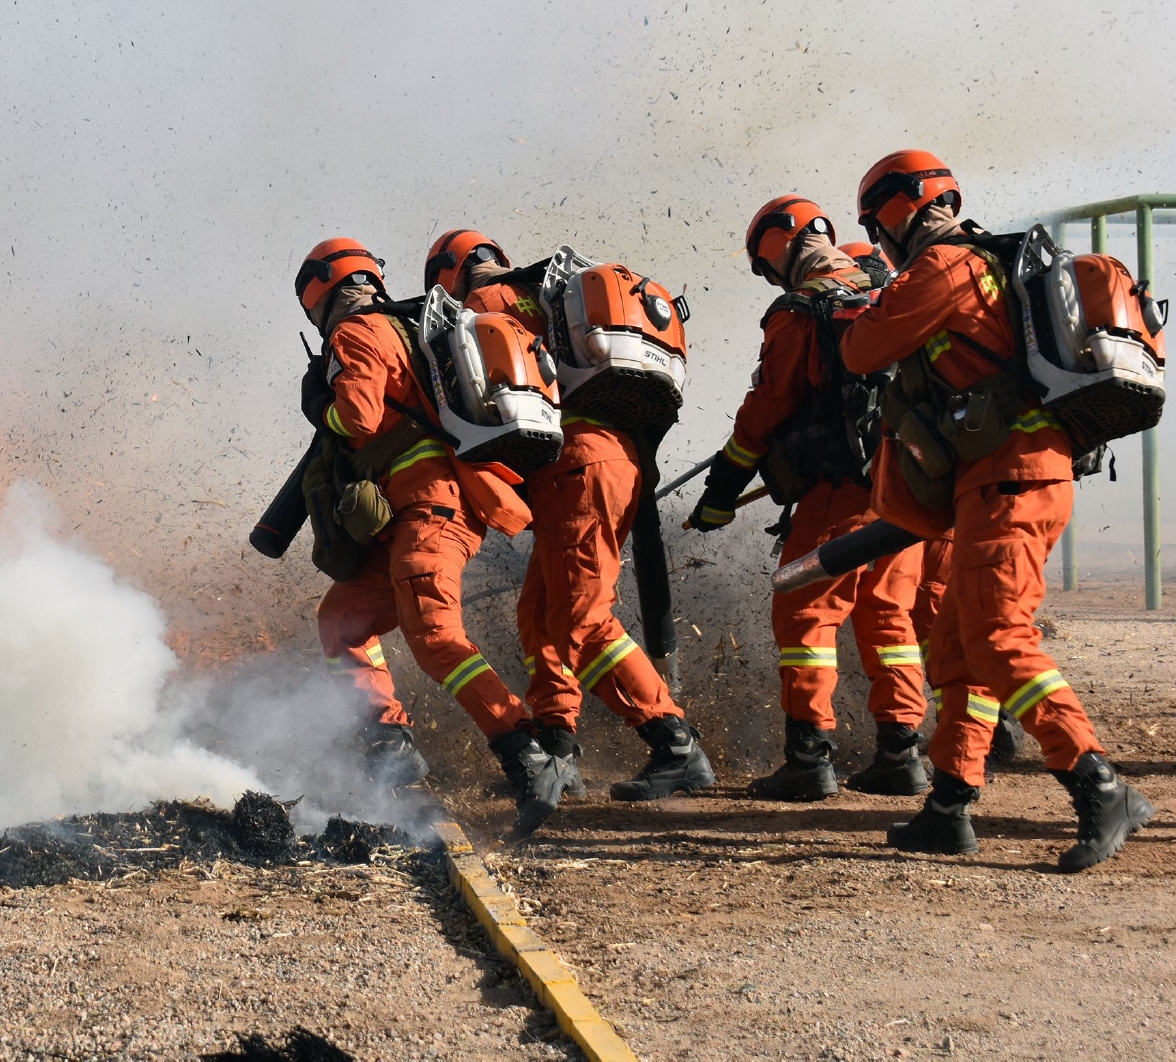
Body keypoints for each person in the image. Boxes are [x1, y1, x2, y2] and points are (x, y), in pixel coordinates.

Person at [840, 151, 1153, 871]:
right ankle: (948, 807)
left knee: (1001, 641)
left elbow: (862, 351)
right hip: (1007, 476)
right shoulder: (985, 262)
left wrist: (873, 300)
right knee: (959, 649)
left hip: (1010, 476)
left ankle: (1099, 785)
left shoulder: (944, 266)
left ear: (891, 214)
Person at [296, 238, 576, 835]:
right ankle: (388, 742)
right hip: (421, 511)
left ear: (320, 299)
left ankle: (526, 751)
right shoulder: (417, 327)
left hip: (428, 505)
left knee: (434, 637)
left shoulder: (356, 333)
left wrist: (322, 408)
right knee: (342, 618)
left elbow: (359, 419)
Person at [428, 231, 716, 802]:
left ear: (447, 274)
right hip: (604, 463)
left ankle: (674, 743)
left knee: (583, 619)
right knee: (541, 616)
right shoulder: (548, 295)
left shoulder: (480, 311)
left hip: (578, 467)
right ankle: (557, 744)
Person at [689, 198, 928, 800]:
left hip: (840, 494)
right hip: (907, 488)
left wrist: (720, 493)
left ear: (773, 253)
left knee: (804, 613)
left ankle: (809, 759)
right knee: (889, 615)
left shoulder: (800, 311)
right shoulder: (889, 284)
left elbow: (766, 409)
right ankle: (901, 754)